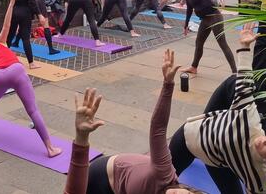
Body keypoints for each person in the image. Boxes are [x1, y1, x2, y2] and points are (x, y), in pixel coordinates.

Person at [169, 23, 266, 194]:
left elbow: (260, 188)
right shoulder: (250, 120)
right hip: (189, 139)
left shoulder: (259, 172)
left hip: (218, 160)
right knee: (164, 182)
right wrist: (245, 46)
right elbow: (244, 80)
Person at [67, 51, 203, 194]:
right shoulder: (164, 173)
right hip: (102, 176)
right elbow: (158, 128)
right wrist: (168, 85)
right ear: (188, 189)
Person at [0, 0, 62, 158]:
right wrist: (10, 3)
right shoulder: (1, 43)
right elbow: (6, 25)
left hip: (0, 76)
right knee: (32, 110)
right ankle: (50, 147)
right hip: (17, 70)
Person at [178, 0, 236, 74]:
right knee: (199, 43)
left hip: (214, 17)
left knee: (222, 44)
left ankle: (235, 72)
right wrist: (186, 25)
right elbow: (189, 9)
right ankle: (194, 67)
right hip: (205, 20)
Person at [0, 0, 44, 68]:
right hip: (25, 12)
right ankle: (31, 63)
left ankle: (4, 60)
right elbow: (32, 1)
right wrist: (39, 14)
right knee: (25, 38)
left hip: (14, 10)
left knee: (9, 37)